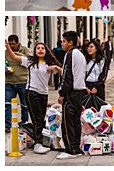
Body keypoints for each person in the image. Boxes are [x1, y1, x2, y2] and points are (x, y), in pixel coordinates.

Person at [5, 39, 60, 153]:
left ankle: (39, 140)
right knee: (37, 119)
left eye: (42, 48)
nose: (40, 50)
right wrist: (8, 47)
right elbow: (15, 57)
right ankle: (38, 143)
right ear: (34, 51)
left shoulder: (48, 63)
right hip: (31, 92)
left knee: (41, 118)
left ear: (46, 51)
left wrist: (55, 67)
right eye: (38, 48)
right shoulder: (29, 61)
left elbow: (62, 72)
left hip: (44, 94)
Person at [56, 30, 86, 159]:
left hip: (71, 92)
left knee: (68, 122)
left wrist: (62, 93)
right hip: (80, 91)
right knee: (75, 121)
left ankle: (70, 150)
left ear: (70, 42)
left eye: (64, 41)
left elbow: (67, 76)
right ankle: (76, 147)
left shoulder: (70, 54)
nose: (62, 44)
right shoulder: (80, 54)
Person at [5, 35, 31, 133]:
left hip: (23, 81)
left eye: (13, 44)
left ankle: (24, 122)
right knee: (7, 103)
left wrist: (16, 54)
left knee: (24, 104)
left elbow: (30, 59)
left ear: (18, 43)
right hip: (9, 82)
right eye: (9, 44)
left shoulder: (25, 50)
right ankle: (7, 124)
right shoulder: (5, 53)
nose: (11, 46)